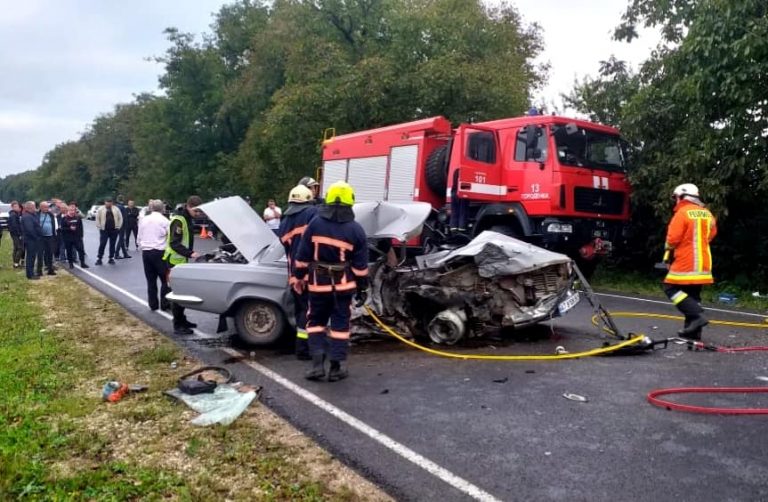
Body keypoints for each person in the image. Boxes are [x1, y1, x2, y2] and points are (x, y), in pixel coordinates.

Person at [293, 181, 369, 382]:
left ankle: (317, 366)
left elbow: (302, 257)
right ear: (350, 203)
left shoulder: (315, 224)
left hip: (318, 285)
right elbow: (361, 267)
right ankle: (336, 368)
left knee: (315, 322)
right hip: (343, 288)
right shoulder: (356, 230)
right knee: (340, 325)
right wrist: (362, 289)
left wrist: (298, 278)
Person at [662, 183, 718, 340]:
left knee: (670, 288)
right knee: (693, 295)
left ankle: (697, 316)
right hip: (704, 263)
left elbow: (672, 240)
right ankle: (693, 334)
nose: (676, 201)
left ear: (682, 197)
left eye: (676, 198)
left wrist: (668, 256)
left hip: (686, 261)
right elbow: (710, 235)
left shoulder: (682, 213)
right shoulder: (707, 214)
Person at [278, 185, 319, 360]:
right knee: (313, 312)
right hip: (311, 273)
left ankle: (301, 346)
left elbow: (284, 243)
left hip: (294, 274)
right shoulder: (312, 214)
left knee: (301, 311)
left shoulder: (286, 219)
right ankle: (309, 348)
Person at [164, 195, 203, 335]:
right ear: (188, 206)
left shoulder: (187, 218)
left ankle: (182, 319)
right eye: (196, 211)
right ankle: (177, 325)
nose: (197, 214)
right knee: (177, 293)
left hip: (181, 260)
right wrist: (190, 253)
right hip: (174, 261)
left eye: (199, 212)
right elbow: (174, 243)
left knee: (183, 292)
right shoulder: (179, 220)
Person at [139, 199, 171, 312]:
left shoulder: (144, 220)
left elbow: (140, 235)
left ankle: (153, 304)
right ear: (162, 208)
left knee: (150, 280)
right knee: (164, 279)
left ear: (151, 208)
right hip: (159, 251)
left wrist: (141, 245)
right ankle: (165, 303)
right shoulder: (165, 221)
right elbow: (169, 236)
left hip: (146, 252)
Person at [95, 198, 123, 265]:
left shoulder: (116, 209)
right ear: (105, 202)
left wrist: (118, 227)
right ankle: (99, 258)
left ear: (112, 202)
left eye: (110, 202)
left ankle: (111, 258)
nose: (109, 203)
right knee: (102, 244)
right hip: (104, 230)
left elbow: (120, 218)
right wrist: (99, 227)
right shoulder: (101, 209)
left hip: (114, 229)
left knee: (112, 244)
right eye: (107, 202)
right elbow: (97, 218)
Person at [60, 204, 88, 269]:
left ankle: (83, 263)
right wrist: (69, 228)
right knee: (69, 251)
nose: (72, 211)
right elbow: (62, 229)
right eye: (71, 210)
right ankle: (71, 264)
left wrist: (81, 236)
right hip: (68, 238)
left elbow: (81, 228)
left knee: (81, 250)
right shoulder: (64, 219)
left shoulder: (78, 218)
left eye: (73, 210)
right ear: (68, 210)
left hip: (77, 238)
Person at [20, 201, 43, 280]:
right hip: (31, 240)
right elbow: (29, 229)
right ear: (29, 207)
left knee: (32, 257)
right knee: (30, 257)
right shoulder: (27, 217)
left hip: (33, 239)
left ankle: (31, 273)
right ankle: (30, 274)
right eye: (34, 207)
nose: (35, 208)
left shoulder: (32, 215)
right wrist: (36, 237)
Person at [38, 201, 57, 275]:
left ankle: (50, 269)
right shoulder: (37, 215)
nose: (46, 208)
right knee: (40, 254)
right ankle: (39, 271)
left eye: (47, 207)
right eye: (45, 207)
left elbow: (53, 225)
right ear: (40, 207)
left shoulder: (50, 215)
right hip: (41, 237)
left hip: (50, 236)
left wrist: (54, 235)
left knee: (49, 253)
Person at [448, 167, 468, 232]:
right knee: (462, 211)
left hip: (453, 192)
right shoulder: (466, 170)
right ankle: (462, 228)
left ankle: (453, 228)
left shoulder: (456, 170)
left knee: (454, 211)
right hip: (462, 192)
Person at [8, 201, 25, 268]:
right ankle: (16, 263)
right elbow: (15, 226)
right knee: (20, 248)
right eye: (15, 207)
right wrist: (19, 234)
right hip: (16, 234)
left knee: (16, 248)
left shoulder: (15, 214)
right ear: (12, 207)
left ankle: (15, 263)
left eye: (17, 206)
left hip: (15, 234)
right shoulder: (13, 215)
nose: (17, 208)